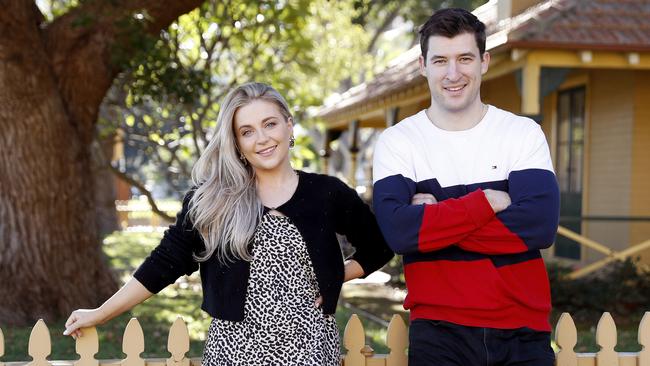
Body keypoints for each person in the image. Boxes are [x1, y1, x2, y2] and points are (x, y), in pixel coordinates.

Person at [64, 82, 394, 365]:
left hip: (310, 350)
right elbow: (163, 263)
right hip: (235, 352)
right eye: (246, 131)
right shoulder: (213, 201)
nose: (262, 138)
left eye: (270, 124)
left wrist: (335, 274)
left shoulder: (328, 193)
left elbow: (379, 245)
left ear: (289, 125)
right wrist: (101, 313)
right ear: (236, 142)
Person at [372, 8, 559, 366]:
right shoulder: (399, 142)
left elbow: (539, 226)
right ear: (424, 65)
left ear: (484, 62)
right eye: (440, 60)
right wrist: (487, 201)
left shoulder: (521, 134)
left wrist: (432, 219)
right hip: (439, 334)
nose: (453, 74)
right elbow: (398, 233)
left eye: (465, 58)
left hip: (522, 333)